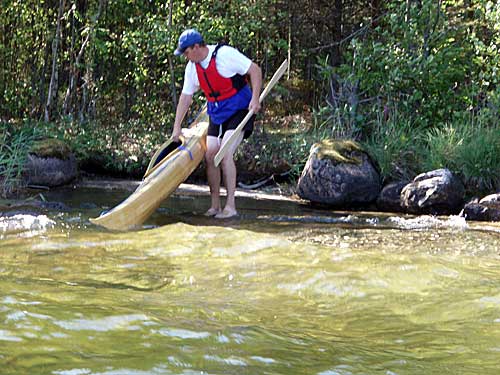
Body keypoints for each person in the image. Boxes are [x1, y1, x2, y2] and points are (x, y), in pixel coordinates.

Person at [172, 29, 262, 219]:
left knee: (225, 151)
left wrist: (255, 99)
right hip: (217, 112)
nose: (186, 57)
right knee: (211, 153)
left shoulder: (224, 55)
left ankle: (230, 207)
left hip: (240, 108)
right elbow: (186, 97)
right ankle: (215, 206)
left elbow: (255, 70)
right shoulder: (192, 67)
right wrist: (176, 127)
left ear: (197, 47)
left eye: (187, 52)